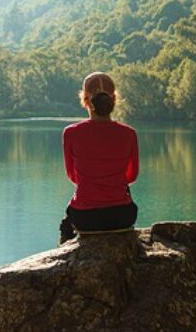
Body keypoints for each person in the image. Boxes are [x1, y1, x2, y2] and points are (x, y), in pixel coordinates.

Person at [59, 72, 139, 244]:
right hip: (122, 217)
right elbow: (131, 177)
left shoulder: (71, 133)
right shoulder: (129, 134)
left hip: (85, 218)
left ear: (86, 100)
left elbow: (73, 176)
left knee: (67, 221)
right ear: (114, 99)